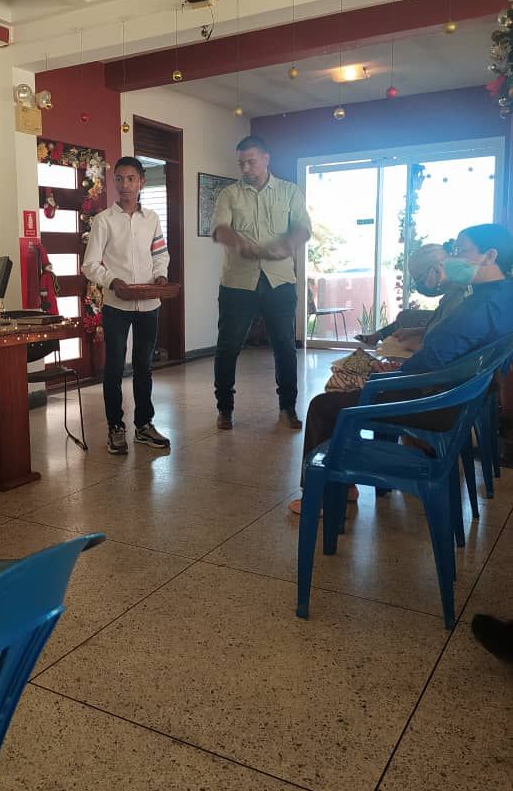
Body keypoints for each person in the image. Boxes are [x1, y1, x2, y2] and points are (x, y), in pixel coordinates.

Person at [289, 223, 513, 514]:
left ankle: (319, 496)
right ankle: (341, 486)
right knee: (350, 388)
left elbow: (432, 360)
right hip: (455, 396)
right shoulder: (501, 295)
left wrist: (389, 372)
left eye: (461, 251)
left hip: (433, 401)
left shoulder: (477, 308)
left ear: (489, 256)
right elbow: (444, 353)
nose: (453, 258)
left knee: (323, 405)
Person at [212, 136, 311, 430]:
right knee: (228, 347)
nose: (245, 168)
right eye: (241, 163)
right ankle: (225, 409)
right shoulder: (229, 194)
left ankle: (288, 408)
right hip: (238, 282)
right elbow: (220, 230)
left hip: (279, 281)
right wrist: (240, 244)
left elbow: (303, 228)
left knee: (284, 346)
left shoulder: (290, 192)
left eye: (251, 161)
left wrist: (286, 246)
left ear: (266, 158)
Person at [82, 156, 171, 455]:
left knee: (144, 366)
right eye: (119, 178)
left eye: (131, 178)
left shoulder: (152, 218)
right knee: (115, 367)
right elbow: (90, 264)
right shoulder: (103, 220)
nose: (124, 185)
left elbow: (160, 254)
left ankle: (144, 426)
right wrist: (112, 281)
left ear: (142, 182)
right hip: (116, 305)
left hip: (148, 304)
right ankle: (115, 427)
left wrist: (161, 275)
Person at [355, 244, 467, 352]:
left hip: (436, 366)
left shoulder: (459, 299)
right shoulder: (451, 295)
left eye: (420, 279)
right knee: (405, 316)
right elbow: (438, 329)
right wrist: (413, 332)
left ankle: (377, 336)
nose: (420, 285)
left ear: (437, 270)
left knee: (406, 317)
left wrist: (408, 349)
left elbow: (444, 345)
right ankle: (378, 336)